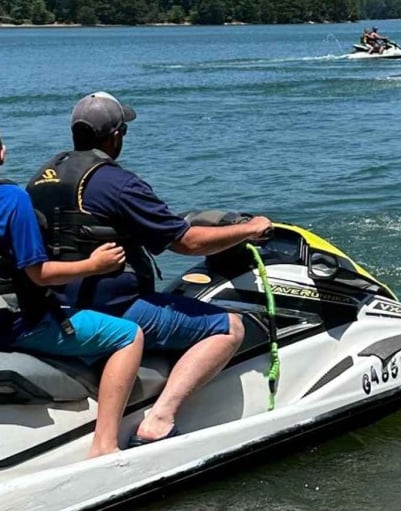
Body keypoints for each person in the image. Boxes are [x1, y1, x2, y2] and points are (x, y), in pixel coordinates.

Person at [28, 92, 273, 446]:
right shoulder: (117, 182)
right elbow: (185, 242)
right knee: (229, 327)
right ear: (116, 136)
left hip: (55, 304)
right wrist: (251, 228)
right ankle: (160, 418)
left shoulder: (41, 178)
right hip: (114, 308)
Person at [0, 114, 144, 458]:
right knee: (129, 335)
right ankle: (104, 445)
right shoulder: (10, 199)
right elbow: (39, 274)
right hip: (10, 327)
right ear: (2, 153)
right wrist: (94, 265)